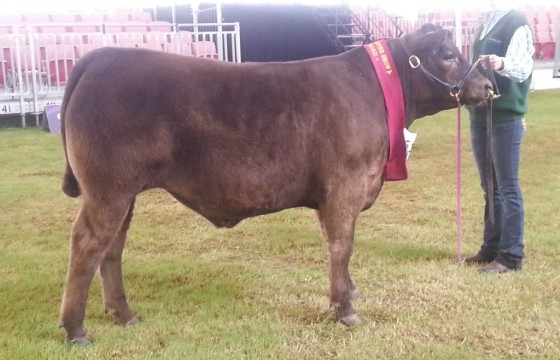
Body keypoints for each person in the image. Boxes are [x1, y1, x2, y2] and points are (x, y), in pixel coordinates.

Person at [463, 5, 534, 273]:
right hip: (481, 116)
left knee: (507, 188)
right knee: (489, 187)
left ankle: (511, 256)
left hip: (505, 118)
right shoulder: (485, 21)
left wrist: (501, 63)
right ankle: (491, 248)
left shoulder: (515, 20)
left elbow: (523, 68)